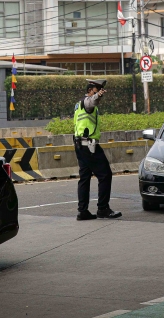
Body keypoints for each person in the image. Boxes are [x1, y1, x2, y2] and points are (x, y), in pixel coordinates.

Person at [73, 79, 122, 221]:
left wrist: (98, 95)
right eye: (97, 89)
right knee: (105, 174)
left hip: (79, 145)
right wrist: (98, 96)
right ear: (90, 90)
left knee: (84, 178)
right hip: (89, 146)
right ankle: (103, 209)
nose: (100, 92)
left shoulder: (78, 105)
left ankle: (82, 211)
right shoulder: (86, 102)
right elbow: (92, 102)